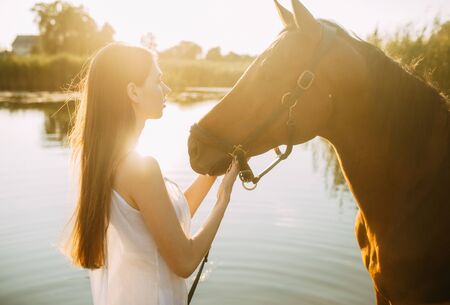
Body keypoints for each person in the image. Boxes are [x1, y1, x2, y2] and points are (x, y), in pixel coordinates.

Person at [58, 42, 240, 305]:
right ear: (133, 91)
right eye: (158, 80)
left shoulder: (112, 161)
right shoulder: (139, 168)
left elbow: (169, 219)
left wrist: (212, 173)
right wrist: (223, 200)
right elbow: (185, 261)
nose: (166, 89)